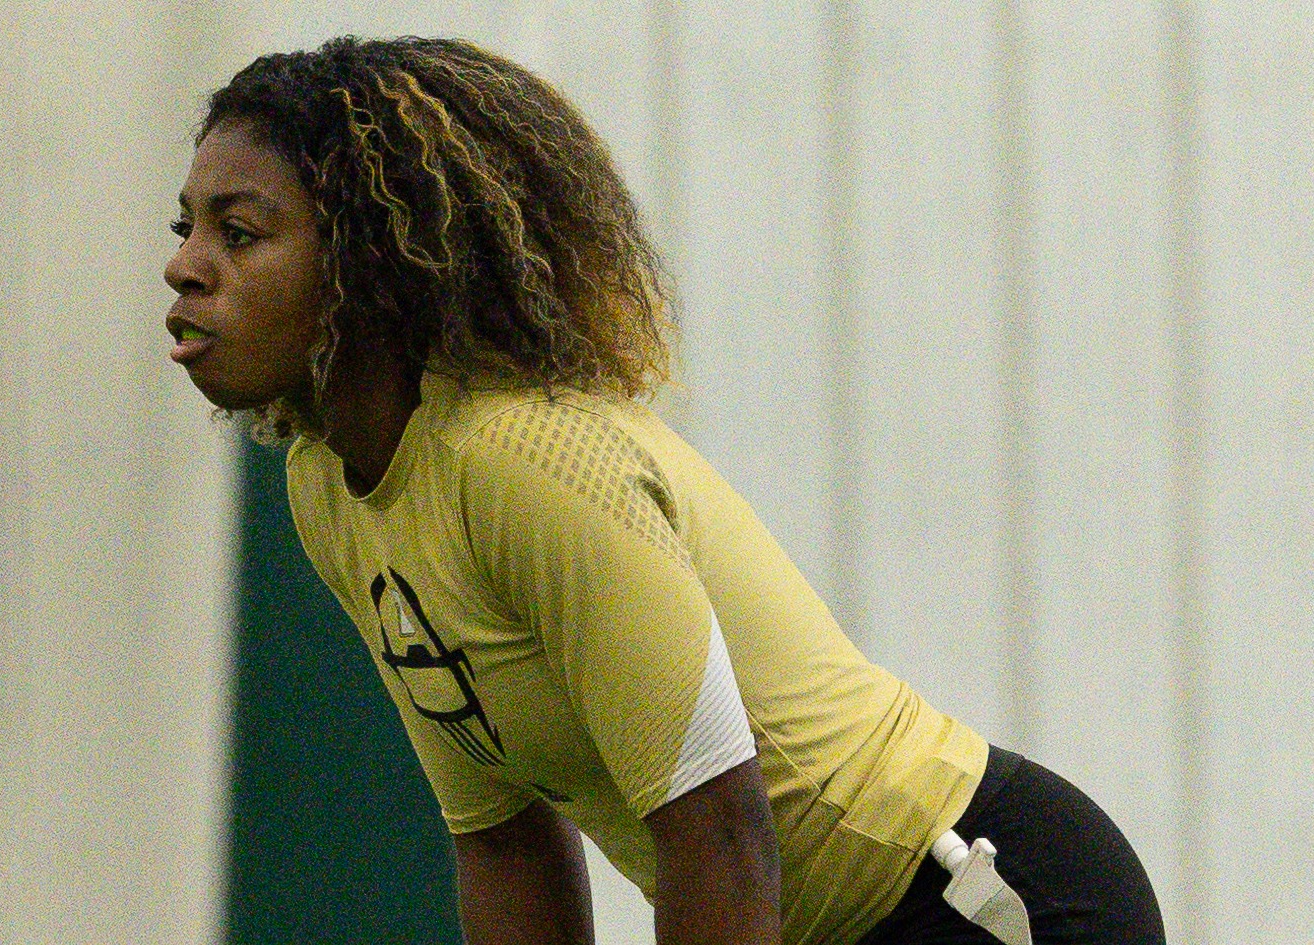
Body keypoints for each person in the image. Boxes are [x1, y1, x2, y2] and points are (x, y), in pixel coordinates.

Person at [163, 35, 1165, 945]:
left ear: (369, 261)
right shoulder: (330, 491)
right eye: (188, 228)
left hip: (984, 901)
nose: (184, 267)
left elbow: (721, 835)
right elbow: (506, 843)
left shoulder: (525, 462)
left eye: (239, 233)